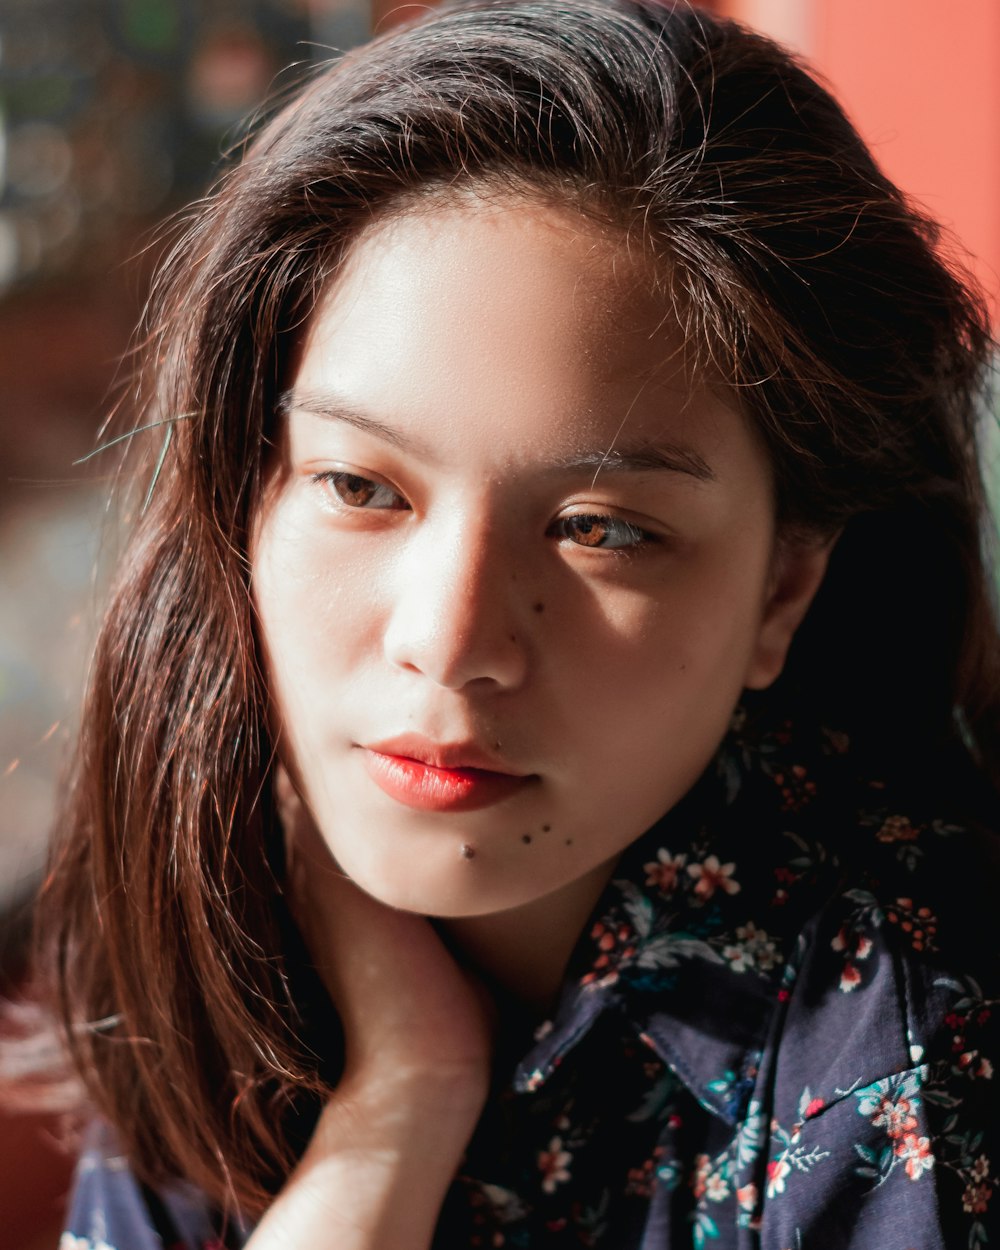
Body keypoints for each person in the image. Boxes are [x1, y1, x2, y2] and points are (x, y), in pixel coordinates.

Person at [26, 0, 1000, 1246]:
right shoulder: (235, 901)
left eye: (600, 527)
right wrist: (395, 1108)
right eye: (360, 487)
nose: (447, 637)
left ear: (782, 588)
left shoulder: (917, 1035)